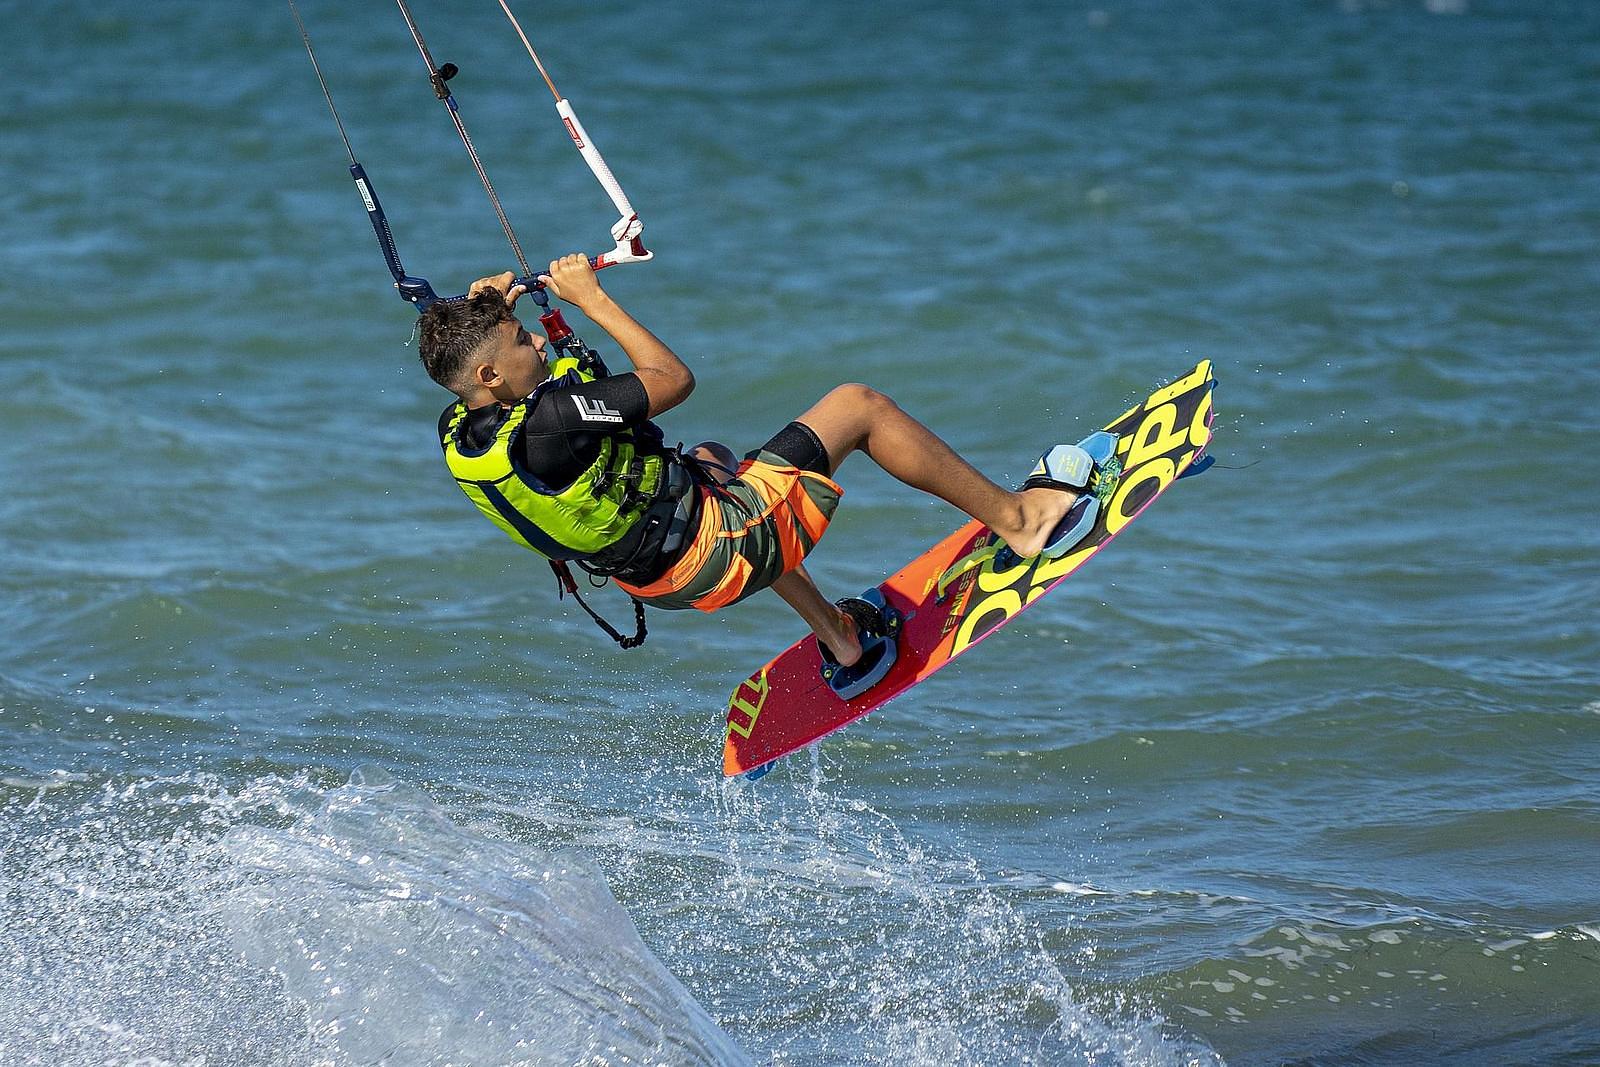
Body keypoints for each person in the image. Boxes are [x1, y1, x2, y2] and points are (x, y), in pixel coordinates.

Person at [418, 255, 1112, 676]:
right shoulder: (551, 419)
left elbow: (549, 398)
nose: (535, 337)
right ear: (489, 372)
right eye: (520, 339)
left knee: (713, 458)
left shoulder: (464, 428)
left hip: (654, 583)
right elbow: (670, 377)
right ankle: (1022, 520)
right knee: (857, 405)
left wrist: (488, 307)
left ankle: (842, 640)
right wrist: (592, 299)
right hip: (721, 554)